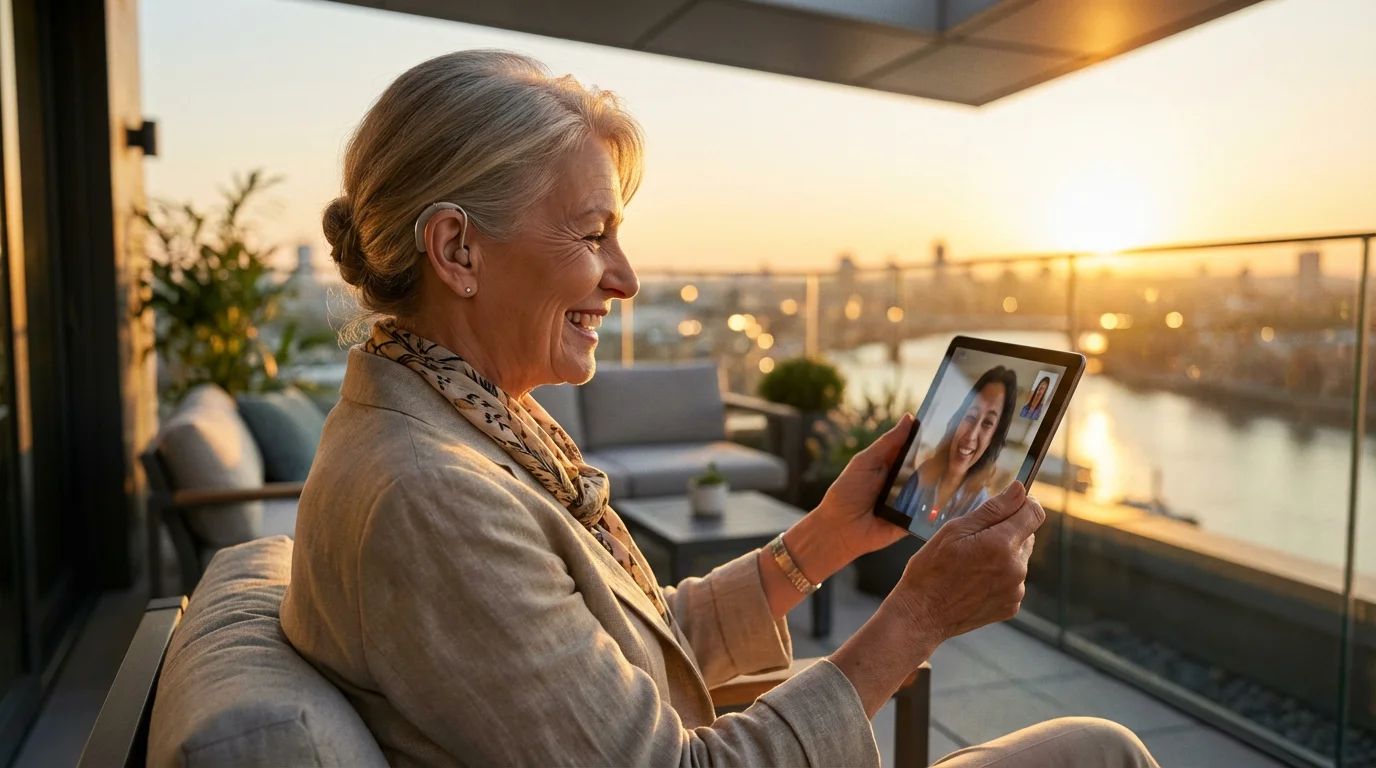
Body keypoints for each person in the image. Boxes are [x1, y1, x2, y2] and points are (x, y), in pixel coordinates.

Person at [279, 50, 1159, 768]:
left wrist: (825, 540)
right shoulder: (431, 496)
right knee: (1100, 752)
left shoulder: (460, 423)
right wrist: (917, 618)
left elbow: (631, 653)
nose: (623, 279)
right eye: (593, 236)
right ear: (457, 249)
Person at [894, 367, 1018, 529]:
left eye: (987, 423)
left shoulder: (981, 508)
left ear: (992, 440)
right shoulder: (923, 473)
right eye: (971, 416)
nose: (971, 435)